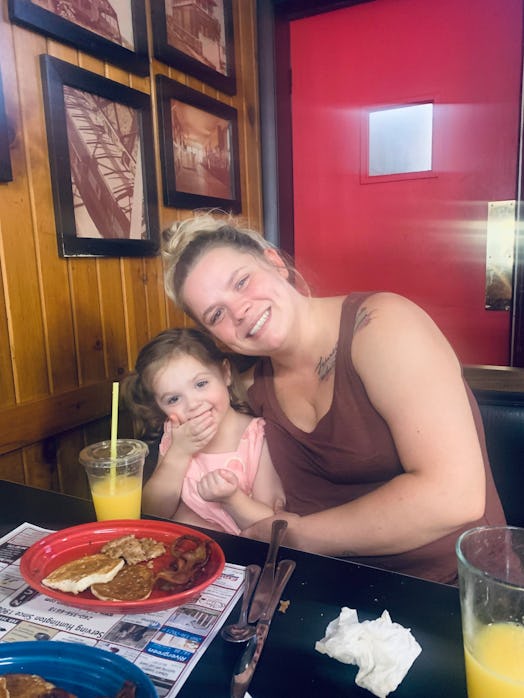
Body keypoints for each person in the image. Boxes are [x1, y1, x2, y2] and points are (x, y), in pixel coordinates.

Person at [160, 212, 506, 584]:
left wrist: (297, 537)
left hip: (455, 592)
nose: (239, 309)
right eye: (216, 314)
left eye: (242, 281)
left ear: (274, 262)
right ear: (218, 337)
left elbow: (454, 496)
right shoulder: (248, 387)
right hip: (326, 591)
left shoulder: (382, 326)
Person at [122, 328, 285, 535]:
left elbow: (271, 525)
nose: (192, 404)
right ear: (159, 405)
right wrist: (179, 453)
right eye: (173, 399)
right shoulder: (176, 436)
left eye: (201, 384)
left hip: (237, 558)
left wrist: (231, 499)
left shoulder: (257, 437)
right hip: (183, 556)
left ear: (225, 374)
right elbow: (154, 511)